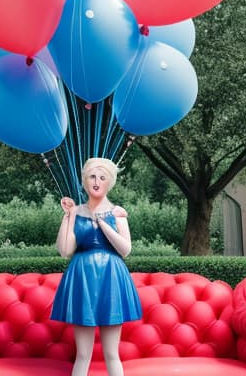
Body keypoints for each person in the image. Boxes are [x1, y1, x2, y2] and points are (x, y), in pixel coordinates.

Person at [50, 157, 142, 376]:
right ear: (84, 180)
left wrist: (101, 221)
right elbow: (65, 250)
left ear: (109, 182)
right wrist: (68, 217)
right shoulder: (77, 211)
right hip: (82, 278)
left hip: (111, 278)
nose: (97, 181)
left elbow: (125, 249)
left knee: (112, 354)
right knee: (82, 355)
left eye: (102, 177)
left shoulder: (117, 212)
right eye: (92, 176)